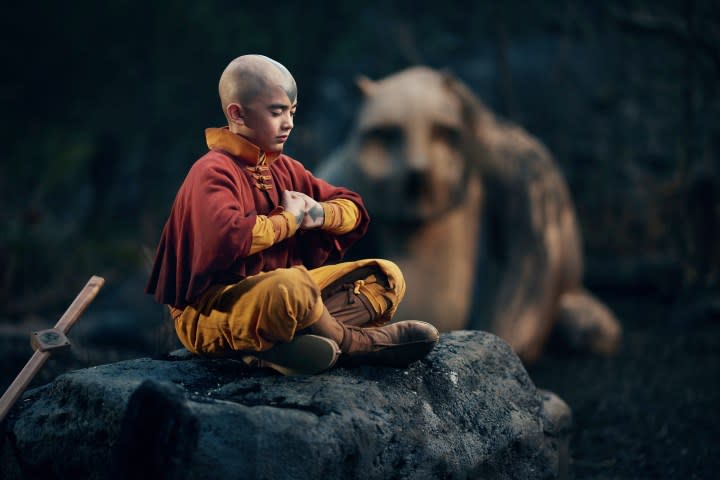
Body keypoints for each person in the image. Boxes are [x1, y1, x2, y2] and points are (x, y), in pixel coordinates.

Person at [145, 54, 439, 375]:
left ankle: (279, 350)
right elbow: (229, 237)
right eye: (277, 112)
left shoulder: (283, 167)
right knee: (292, 287)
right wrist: (289, 220)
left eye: (292, 112)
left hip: (287, 302)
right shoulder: (211, 171)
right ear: (237, 113)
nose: (289, 123)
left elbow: (352, 209)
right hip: (210, 311)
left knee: (385, 276)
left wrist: (318, 213)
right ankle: (357, 345)